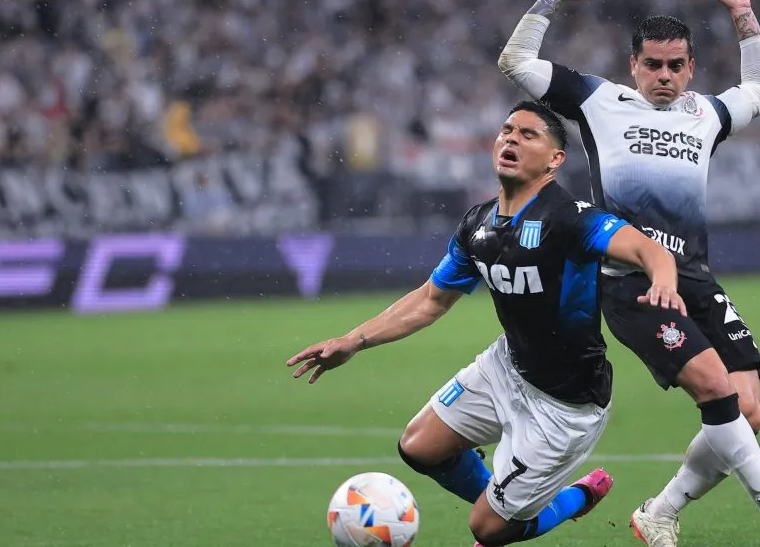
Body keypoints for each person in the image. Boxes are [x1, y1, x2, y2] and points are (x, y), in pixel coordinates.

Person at [498, 0, 760, 546]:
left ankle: (660, 511)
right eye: (653, 65)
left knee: (747, 413)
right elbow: (516, 60)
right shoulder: (599, 102)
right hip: (631, 282)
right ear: (634, 65)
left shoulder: (707, 116)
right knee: (718, 393)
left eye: (675, 66)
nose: (664, 77)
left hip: (694, 277)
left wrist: (743, 12)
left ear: (691, 67)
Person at [287, 100, 686, 547]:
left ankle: (570, 498)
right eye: (507, 130)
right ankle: (508, 502)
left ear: (556, 160)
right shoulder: (478, 225)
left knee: (486, 529)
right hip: (507, 367)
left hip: (565, 404)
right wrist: (353, 341)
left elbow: (649, 250)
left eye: (528, 134)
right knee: (417, 446)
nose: (511, 138)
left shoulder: (571, 219)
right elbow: (430, 301)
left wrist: (664, 280)